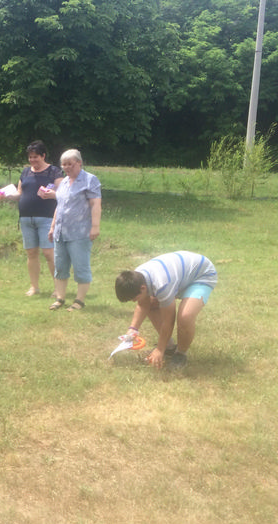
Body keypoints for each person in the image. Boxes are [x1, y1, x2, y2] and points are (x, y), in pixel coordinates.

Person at [115, 251, 218, 369]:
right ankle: (169, 347)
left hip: (201, 275)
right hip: (182, 276)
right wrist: (133, 329)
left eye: (134, 298)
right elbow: (144, 305)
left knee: (185, 317)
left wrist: (160, 349)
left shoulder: (161, 284)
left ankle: (180, 354)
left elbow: (168, 321)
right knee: (152, 304)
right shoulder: (137, 277)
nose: (134, 301)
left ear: (143, 288)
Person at [44, 149, 102, 312]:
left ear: (79, 163)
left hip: (80, 232)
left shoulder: (90, 180)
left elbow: (95, 204)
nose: (67, 167)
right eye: (64, 164)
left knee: (80, 266)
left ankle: (79, 301)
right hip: (60, 232)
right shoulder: (63, 182)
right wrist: (52, 227)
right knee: (60, 267)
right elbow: (60, 206)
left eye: (70, 164)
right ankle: (60, 298)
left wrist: (95, 226)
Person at [12, 140, 63, 298]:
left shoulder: (54, 172)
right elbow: (19, 193)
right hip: (26, 219)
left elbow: (63, 194)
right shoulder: (25, 172)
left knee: (49, 253)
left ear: (43, 156)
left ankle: (58, 288)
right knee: (31, 253)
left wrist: (52, 194)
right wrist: (6, 195)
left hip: (47, 218)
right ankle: (34, 287)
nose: (32, 160)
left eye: (35, 157)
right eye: (30, 157)